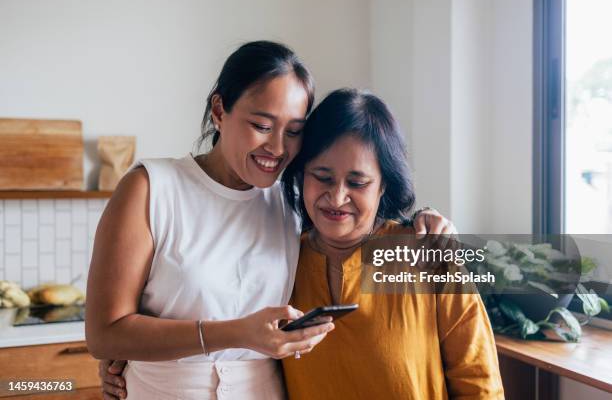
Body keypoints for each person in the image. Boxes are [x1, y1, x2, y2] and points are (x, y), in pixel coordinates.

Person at [88, 41, 454, 400]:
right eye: (262, 125)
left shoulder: (291, 200)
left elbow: (354, 213)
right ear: (219, 109)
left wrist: (424, 217)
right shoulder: (151, 189)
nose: (278, 148)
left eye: (293, 131)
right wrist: (235, 334)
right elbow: (105, 334)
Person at [280, 88, 505, 399]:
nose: (337, 197)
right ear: (301, 174)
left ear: (384, 184)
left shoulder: (430, 255)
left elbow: (479, 382)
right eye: (322, 176)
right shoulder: (280, 259)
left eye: (357, 183)